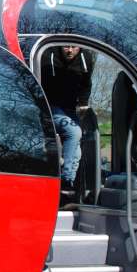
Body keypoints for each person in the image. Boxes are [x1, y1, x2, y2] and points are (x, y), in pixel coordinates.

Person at [39, 45, 96, 195]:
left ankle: (65, 190)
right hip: (50, 107)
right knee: (74, 132)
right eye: (66, 47)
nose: (70, 50)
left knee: (76, 152)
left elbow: (86, 84)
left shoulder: (86, 58)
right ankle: (66, 181)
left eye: (74, 47)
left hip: (70, 109)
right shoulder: (46, 55)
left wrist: (83, 104)